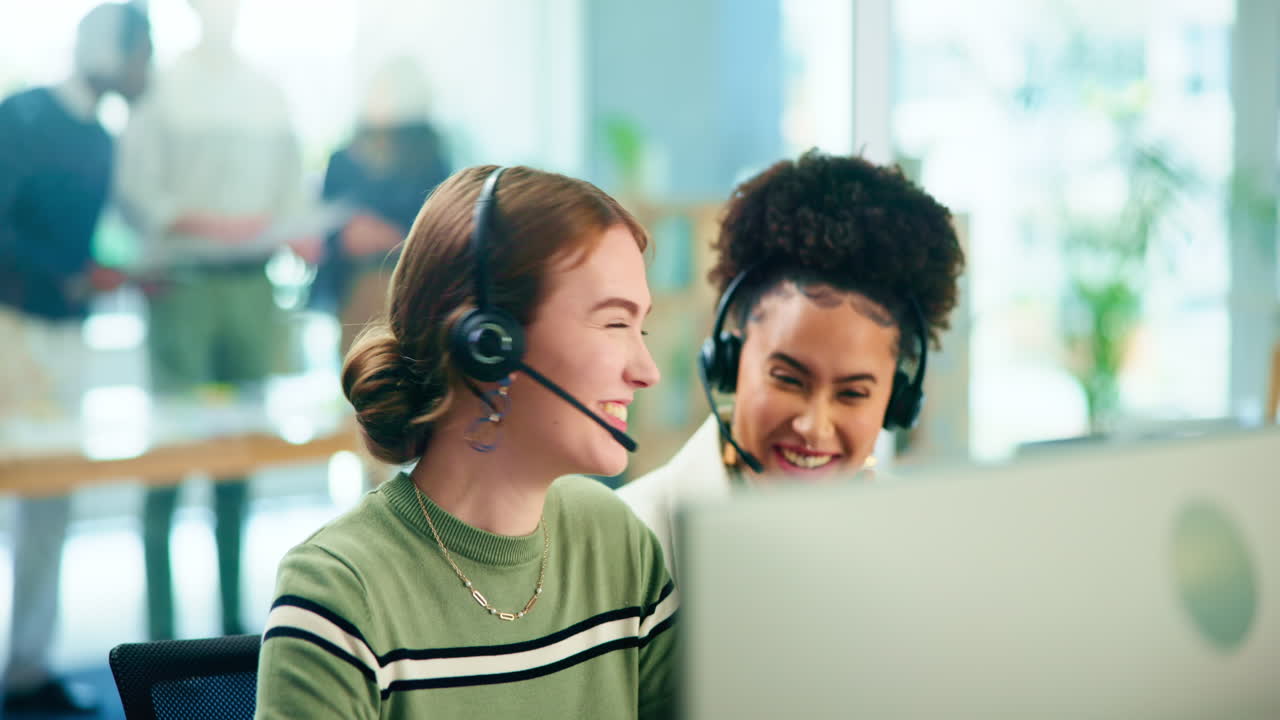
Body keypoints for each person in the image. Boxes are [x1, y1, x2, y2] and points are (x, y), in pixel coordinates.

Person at [255, 165, 678, 719]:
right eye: (614, 324)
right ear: (487, 343)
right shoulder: (340, 593)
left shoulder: (617, 543)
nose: (647, 371)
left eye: (639, 328)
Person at [619, 150, 966, 581]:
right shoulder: (627, 544)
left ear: (896, 401)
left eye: (853, 393)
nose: (814, 427)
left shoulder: (925, 548)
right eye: (787, 379)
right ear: (729, 359)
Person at [114, 0, 309, 641]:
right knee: (168, 456)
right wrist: (200, 221)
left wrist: (284, 230)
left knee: (238, 455)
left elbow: (290, 189)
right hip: (183, 289)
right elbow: (136, 189)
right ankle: (160, 633)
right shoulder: (163, 90)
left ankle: (231, 627)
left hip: (251, 288)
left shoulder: (269, 91)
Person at [0, 3, 152, 714]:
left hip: (67, 336)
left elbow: (90, 239)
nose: (142, 69)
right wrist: (65, 272)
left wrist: (113, 272)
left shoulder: (102, 137)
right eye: (137, 53)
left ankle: (28, 667)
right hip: (10, 328)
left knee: (51, 499)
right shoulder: (20, 115)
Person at [312, 56, 452, 355]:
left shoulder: (429, 158)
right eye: (378, 92)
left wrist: (391, 237)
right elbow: (322, 227)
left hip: (406, 284)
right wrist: (346, 236)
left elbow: (442, 222)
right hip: (352, 284)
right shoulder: (343, 159)